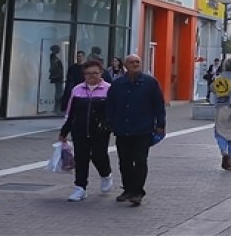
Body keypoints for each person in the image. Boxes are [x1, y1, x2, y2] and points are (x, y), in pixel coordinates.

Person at [106, 54, 165, 206]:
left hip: (143, 129)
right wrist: (111, 122)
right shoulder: (118, 84)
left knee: (140, 161)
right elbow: (110, 104)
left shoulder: (150, 82)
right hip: (122, 129)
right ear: (125, 65)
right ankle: (128, 189)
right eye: (132, 62)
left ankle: (137, 192)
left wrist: (160, 125)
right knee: (124, 162)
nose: (135, 64)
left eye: (138, 62)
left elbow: (159, 105)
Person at [59, 59, 113, 201]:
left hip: (100, 130)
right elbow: (70, 113)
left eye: (95, 73)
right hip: (80, 130)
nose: (91, 76)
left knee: (98, 155)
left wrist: (111, 125)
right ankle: (80, 188)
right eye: (88, 73)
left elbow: (115, 111)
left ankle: (106, 174)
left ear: (101, 73)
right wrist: (64, 131)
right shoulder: (77, 90)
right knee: (81, 158)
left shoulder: (109, 89)